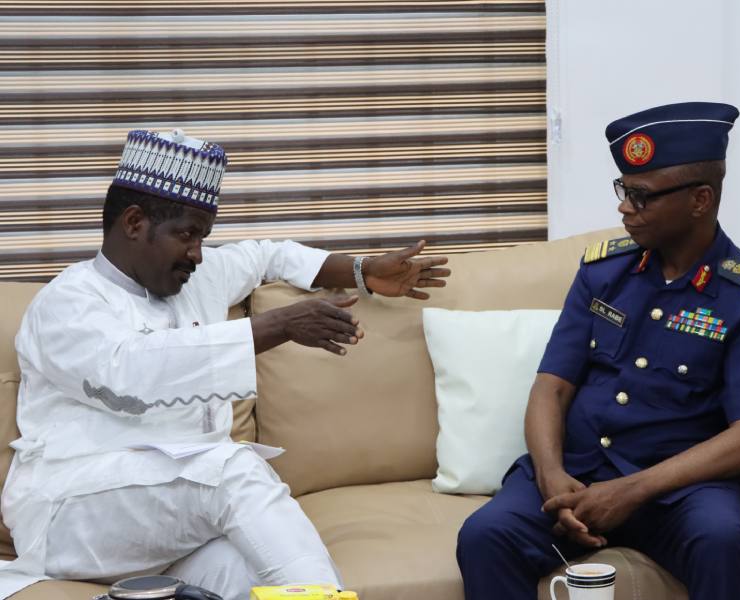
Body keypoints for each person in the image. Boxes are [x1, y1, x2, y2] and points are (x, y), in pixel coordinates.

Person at [0, 128, 451, 600]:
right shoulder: (67, 303)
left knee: (262, 578)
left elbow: (266, 256)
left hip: (174, 524)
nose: (198, 253)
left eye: (204, 236)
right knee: (230, 466)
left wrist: (361, 271)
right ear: (134, 223)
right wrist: (279, 326)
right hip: (74, 514)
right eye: (187, 235)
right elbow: (128, 375)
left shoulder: (195, 277)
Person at [456, 102, 740, 600]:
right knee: (486, 535)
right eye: (623, 191)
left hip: (678, 490)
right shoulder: (603, 273)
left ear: (700, 199)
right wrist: (553, 477)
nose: (624, 208)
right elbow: (551, 387)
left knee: (719, 540)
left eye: (641, 196)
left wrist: (633, 490)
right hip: (577, 471)